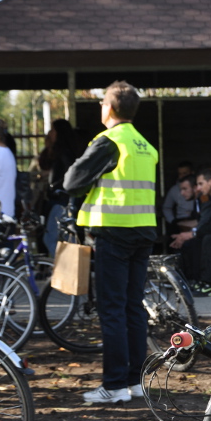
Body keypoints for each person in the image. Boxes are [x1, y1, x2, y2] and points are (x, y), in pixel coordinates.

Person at [63, 80, 158, 404]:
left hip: (114, 233)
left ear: (110, 108)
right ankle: (134, 381)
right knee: (133, 308)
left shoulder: (109, 141)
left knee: (112, 310)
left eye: (103, 102)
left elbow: (71, 181)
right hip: (143, 231)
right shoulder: (144, 144)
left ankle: (115, 385)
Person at [37, 119, 78, 255]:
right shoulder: (64, 151)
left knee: (52, 238)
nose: (50, 133)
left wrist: (54, 184)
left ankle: (62, 270)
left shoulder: (63, 153)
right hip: (59, 199)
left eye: (53, 130)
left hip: (60, 200)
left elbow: (68, 174)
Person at [161, 161, 195, 236]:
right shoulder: (174, 190)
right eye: (180, 174)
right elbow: (166, 207)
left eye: (185, 173)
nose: (182, 176)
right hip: (180, 222)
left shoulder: (200, 190)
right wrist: (172, 221)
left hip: (196, 221)